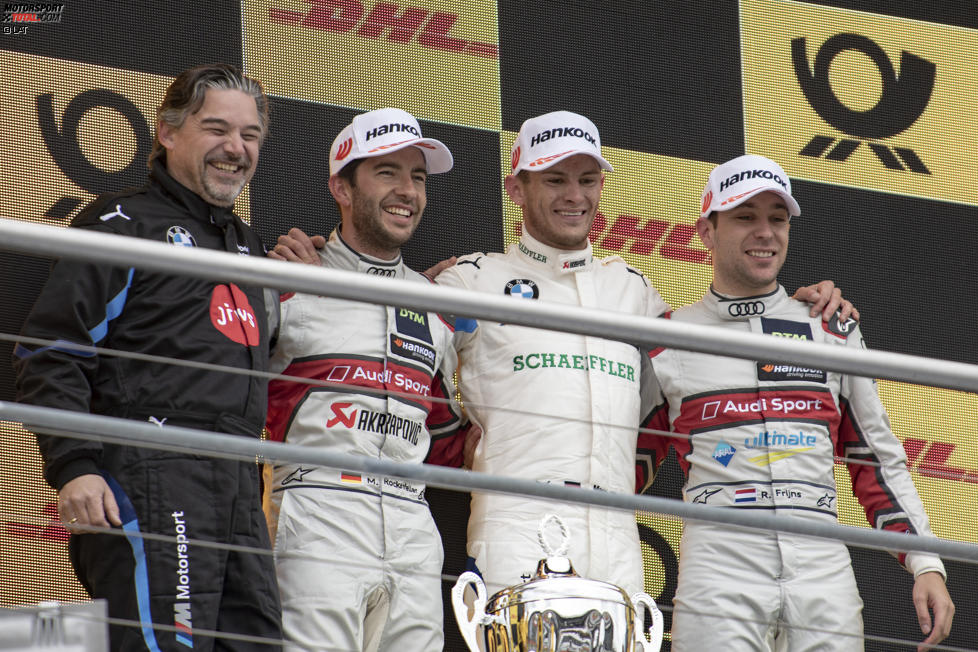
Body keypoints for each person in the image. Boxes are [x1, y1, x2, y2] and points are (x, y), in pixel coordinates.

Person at [273, 111, 849, 599]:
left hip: (619, 535)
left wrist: (803, 309)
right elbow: (390, 356)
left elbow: (694, 390)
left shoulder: (636, 292)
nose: (574, 195)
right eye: (554, 179)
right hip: (515, 528)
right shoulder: (468, 282)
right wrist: (323, 270)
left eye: (587, 179)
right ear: (516, 187)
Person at [13, 64, 283, 651]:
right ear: (167, 131)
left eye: (251, 135)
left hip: (238, 480)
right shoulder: (123, 224)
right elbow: (51, 349)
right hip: (151, 471)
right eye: (217, 129)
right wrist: (74, 465)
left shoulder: (249, 245)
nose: (235, 148)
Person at [640, 154, 954, 651]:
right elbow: (622, 467)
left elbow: (876, 458)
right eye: (745, 217)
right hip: (719, 561)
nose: (765, 232)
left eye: (777, 218)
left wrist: (926, 563)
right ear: (706, 231)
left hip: (820, 559)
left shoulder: (829, 327)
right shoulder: (666, 339)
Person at [265, 107, 465, 651]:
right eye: (387, 173)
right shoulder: (287, 278)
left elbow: (450, 437)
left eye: (418, 177)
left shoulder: (437, 307)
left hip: (412, 516)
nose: (408, 191)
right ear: (341, 187)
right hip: (317, 505)